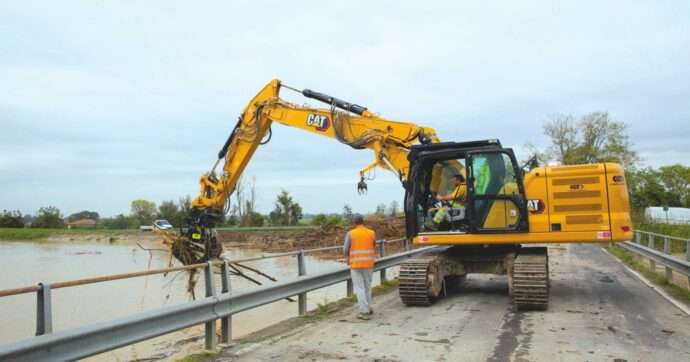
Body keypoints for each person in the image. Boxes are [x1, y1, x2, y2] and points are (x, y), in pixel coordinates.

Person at [342, 214, 376, 320]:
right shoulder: (371, 232)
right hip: (369, 264)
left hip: (356, 264)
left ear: (354, 222)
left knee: (360, 288)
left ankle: (364, 311)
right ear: (363, 221)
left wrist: (347, 257)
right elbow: (373, 244)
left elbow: (345, 249)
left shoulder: (350, 234)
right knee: (367, 287)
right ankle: (369, 308)